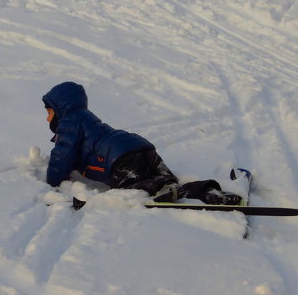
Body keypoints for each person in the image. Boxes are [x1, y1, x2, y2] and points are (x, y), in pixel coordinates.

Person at [42, 81, 240, 204]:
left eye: (49, 113)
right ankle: (208, 191)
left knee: (143, 187)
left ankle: (163, 189)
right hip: (140, 147)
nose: (47, 119)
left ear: (60, 110)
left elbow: (62, 155)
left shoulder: (70, 121)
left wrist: (51, 182)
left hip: (119, 159)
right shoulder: (85, 118)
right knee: (168, 181)